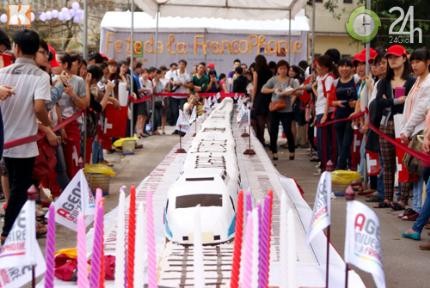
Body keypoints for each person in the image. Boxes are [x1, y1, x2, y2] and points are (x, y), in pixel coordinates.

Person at [0, 30, 53, 241]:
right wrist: (48, 124)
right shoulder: (41, 76)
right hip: (25, 144)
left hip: (4, 140)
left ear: (16, 48)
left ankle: (16, 228)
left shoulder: (3, 73)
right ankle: (8, 232)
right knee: (20, 188)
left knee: (13, 188)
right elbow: (40, 107)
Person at [374, 44, 415, 210]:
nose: (392, 60)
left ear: (404, 58)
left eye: (396, 57)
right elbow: (379, 103)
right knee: (387, 162)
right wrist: (396, 101)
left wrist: (388, 101)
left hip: (404, 124)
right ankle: (388, 197)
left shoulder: (412, 81)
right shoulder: (384, 82)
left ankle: (403, 199)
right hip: (386, 123)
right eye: (390, 57)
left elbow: (411, 103)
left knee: (403, 162)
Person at [56, 53, 89, 178]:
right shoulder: (53, 79)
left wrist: (72, 94)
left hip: (73, 123)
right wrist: (61, 127)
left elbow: (84, 104)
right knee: (57, 161)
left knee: (72, 158)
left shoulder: (78, 81)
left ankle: (74, 187)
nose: (53, 65)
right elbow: (54, 104)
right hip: (56, 125)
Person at [262, 60, 299, 160]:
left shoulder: (291, 81)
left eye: (285, 68)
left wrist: (290, 92)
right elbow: (263, 89)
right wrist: (273, 90)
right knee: (273, 131)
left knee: (287, 130)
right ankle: (274, 152)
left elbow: (299, 92)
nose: (283, 70)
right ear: (277, 70)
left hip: (287, 109)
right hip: (274, 108)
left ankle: (292, 150)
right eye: (281, 68)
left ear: (288, 69)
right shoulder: (273, 80)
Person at [330, 58, 358, 169]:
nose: (344, 69)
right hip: (338, 116)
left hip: (352, 116)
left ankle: (339, 167)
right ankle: (344, 167)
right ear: (338, 68)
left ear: (352, 69)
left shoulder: (355, 80)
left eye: (347, 66)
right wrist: (336, 102)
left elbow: (361, 96)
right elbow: (330, 100)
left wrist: (356, 103)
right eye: (342, 66)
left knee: (347, 143)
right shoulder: (335, 82)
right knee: (340, 144)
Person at [313, 55, 337, 173]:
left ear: (326, 68)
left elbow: (329, 97)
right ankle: (324, 164)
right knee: (320, 141)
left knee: (325, 141)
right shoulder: (319, 78)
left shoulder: (329, 78)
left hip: (325, 111)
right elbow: (321, 97)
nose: (317, 68)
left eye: (319, 66)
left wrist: (325, 115)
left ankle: (327, 165)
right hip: (319, 110)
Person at [251, 54, 272, 146]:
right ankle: (272, 140)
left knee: (260, 119)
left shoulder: (256, 71)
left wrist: (253, 99)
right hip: (269, 95)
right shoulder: (269, 71)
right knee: (268, 119)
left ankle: (261, 139)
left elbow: (255, 86)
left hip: (260, 96)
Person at [171, 59, 193, 128]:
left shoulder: (187, 74)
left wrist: (182, 84)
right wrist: (174, 83)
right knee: (174, 112)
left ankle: (181, 127)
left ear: (185, 66)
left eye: (183, 64)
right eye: (180, 64)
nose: (181, 66)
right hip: (174, 95)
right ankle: (176, 126)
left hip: (183, 96)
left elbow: (191, 85)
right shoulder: (174, 73)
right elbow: (170, 81)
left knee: (183, 111)